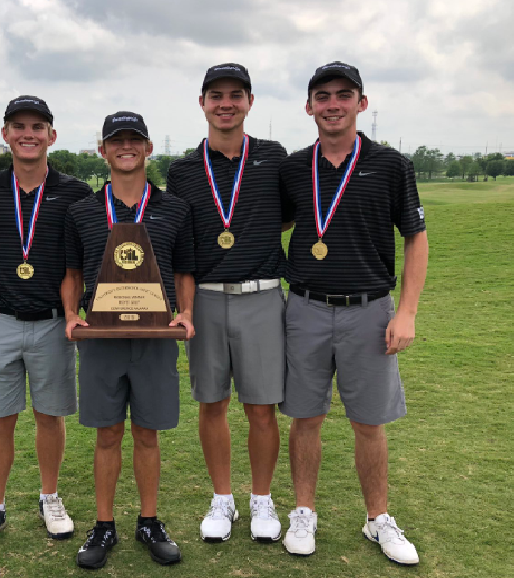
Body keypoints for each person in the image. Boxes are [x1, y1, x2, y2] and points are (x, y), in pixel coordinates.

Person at [278, 62, 428, 565]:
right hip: (304, 308)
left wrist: (406, 312)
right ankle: (304, 512)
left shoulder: (390, 164)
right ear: (309, 107)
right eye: (322, 96)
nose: (333, 104)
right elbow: (268, 221)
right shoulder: (294, 167)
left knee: (369, 423)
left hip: (369, 311)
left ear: (361, 103)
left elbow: (415, 238)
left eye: (344, 95)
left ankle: (378, 519)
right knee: (306, 418)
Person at [62, 112, 195, 569]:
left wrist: (187, 312)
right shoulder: (81, 211)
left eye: (134, 140)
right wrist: (69, 313)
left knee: (147, 433)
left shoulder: (174, 209)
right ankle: (103, 525)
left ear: (148, 147)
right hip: (101, 338)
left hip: (155, 337)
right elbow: (73, 272)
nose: (126, 147)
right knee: (107, 433)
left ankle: (149, 520)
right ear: (102, 150)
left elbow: (183, 271)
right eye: (116, 141)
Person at [167, 63, 289, 544]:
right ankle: (223, 499)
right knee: (212, 404)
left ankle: (261, 499)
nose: (225, 103)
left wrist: (247, 238)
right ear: (202, 103)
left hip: (261, 297)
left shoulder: (274, 157)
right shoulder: (182, 170)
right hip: (207, 300)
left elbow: (288, 215)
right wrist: (185, 307)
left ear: (250, 102)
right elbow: (181, 247)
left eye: (235, 94)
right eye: (215, 95)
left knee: (262, 408)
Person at [0, 95, 91, 550]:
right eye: (18, 125)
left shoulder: (74, 191)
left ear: (52, 136)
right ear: (4, 135)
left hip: (52, 322)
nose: (28, 133)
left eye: (38, 126)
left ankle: (49, 496)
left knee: (49, 415)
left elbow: (84, 257)